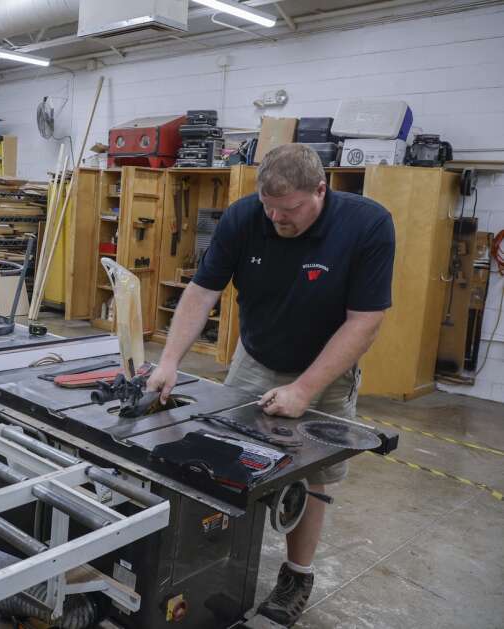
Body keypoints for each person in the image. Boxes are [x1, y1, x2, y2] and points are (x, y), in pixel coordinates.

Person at [146, 143, 395, 627]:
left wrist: (304, 390)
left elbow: (365, 321)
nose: (279, 219)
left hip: (326, 367)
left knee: (313, 472)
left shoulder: (367, 224)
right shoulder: (244, 218)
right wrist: (169, 360)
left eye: (291, 209)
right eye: (270, 207)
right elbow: (201, 292)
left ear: (321, 190)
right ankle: (225, 563)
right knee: (231, 459)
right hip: (256, 356)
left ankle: (296, 575)